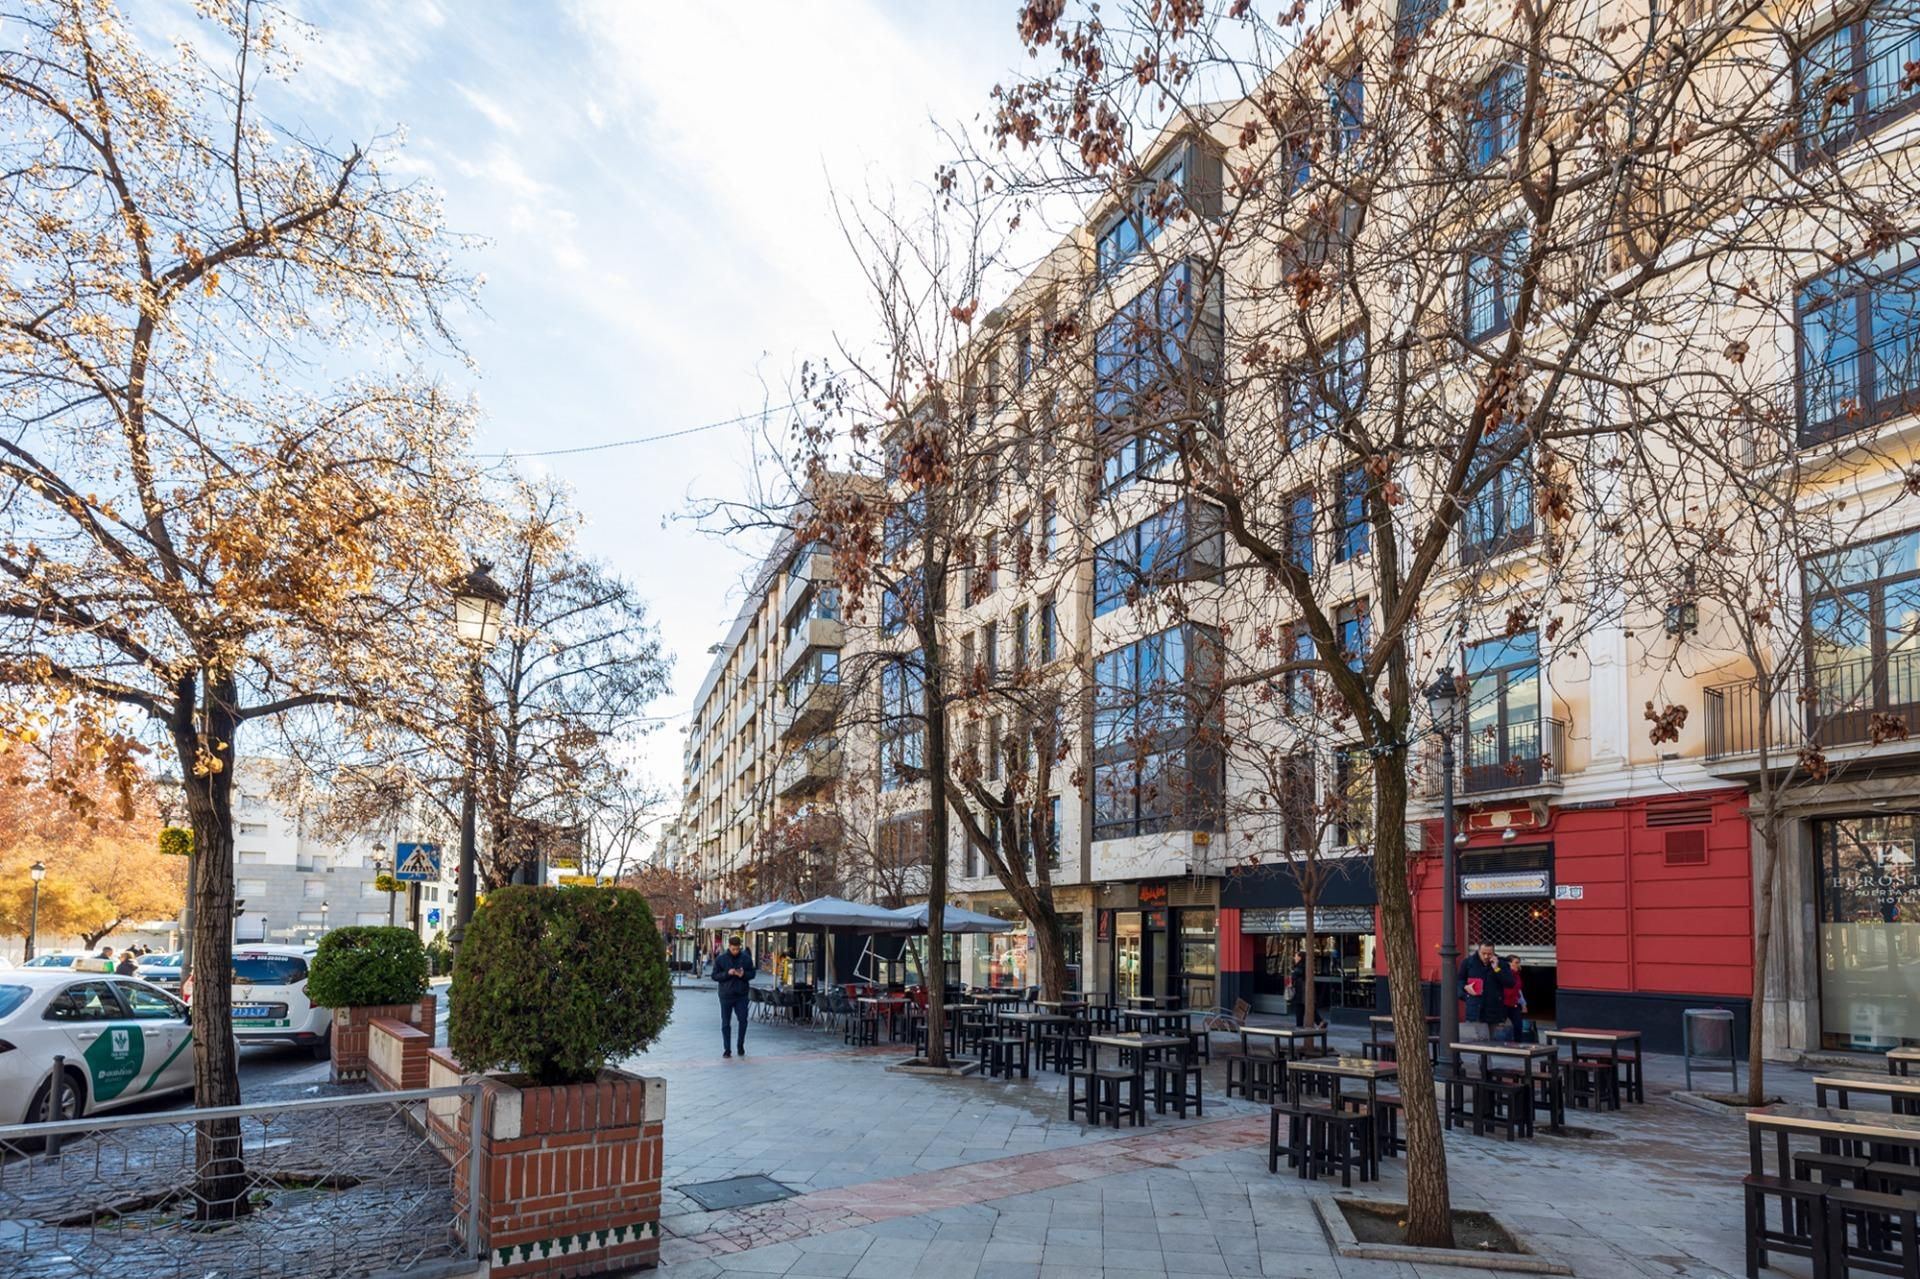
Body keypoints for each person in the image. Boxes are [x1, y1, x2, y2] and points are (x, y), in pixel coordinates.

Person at [709, 935, 756, 1058]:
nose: (735, 951)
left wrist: (743, 974)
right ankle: (727, 1049)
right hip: (726, 994)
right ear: (729, 946)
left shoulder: (746, 958)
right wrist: (727, 973)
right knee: (725, 1022)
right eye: (733, 949)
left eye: (737, 949)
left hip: (741, 994)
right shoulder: (721, 959)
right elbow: (714, 976)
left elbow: (752, 973)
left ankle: (740, 1045)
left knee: (743, 1020)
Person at [1459, 941, 1514, 1037]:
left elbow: (1510, 983)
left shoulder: (1502, 964)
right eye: (1483, 953)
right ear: (1478, 951)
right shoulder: (1468, 962)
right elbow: (1459, 980)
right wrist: (1465, 989)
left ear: (1493, 953)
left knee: (1493, 1040)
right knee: (1480, 1039)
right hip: (1476, 1008)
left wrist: (1496, 968)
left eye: (1489, 954)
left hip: (1494, 1008)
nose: (1486, 957)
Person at [1501, 955, 1528, 1042]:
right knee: (1500, 1025)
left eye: (1519, 963)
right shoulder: (1503, 974)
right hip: (1503, 1004)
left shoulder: (1517, 975)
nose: (1518, 965)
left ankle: (1518, 1044)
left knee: (1518, 1025)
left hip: (1514, 1004)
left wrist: (1523, 1004)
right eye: (1516, 962)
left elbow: (1518, 991)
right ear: (1509, 964)